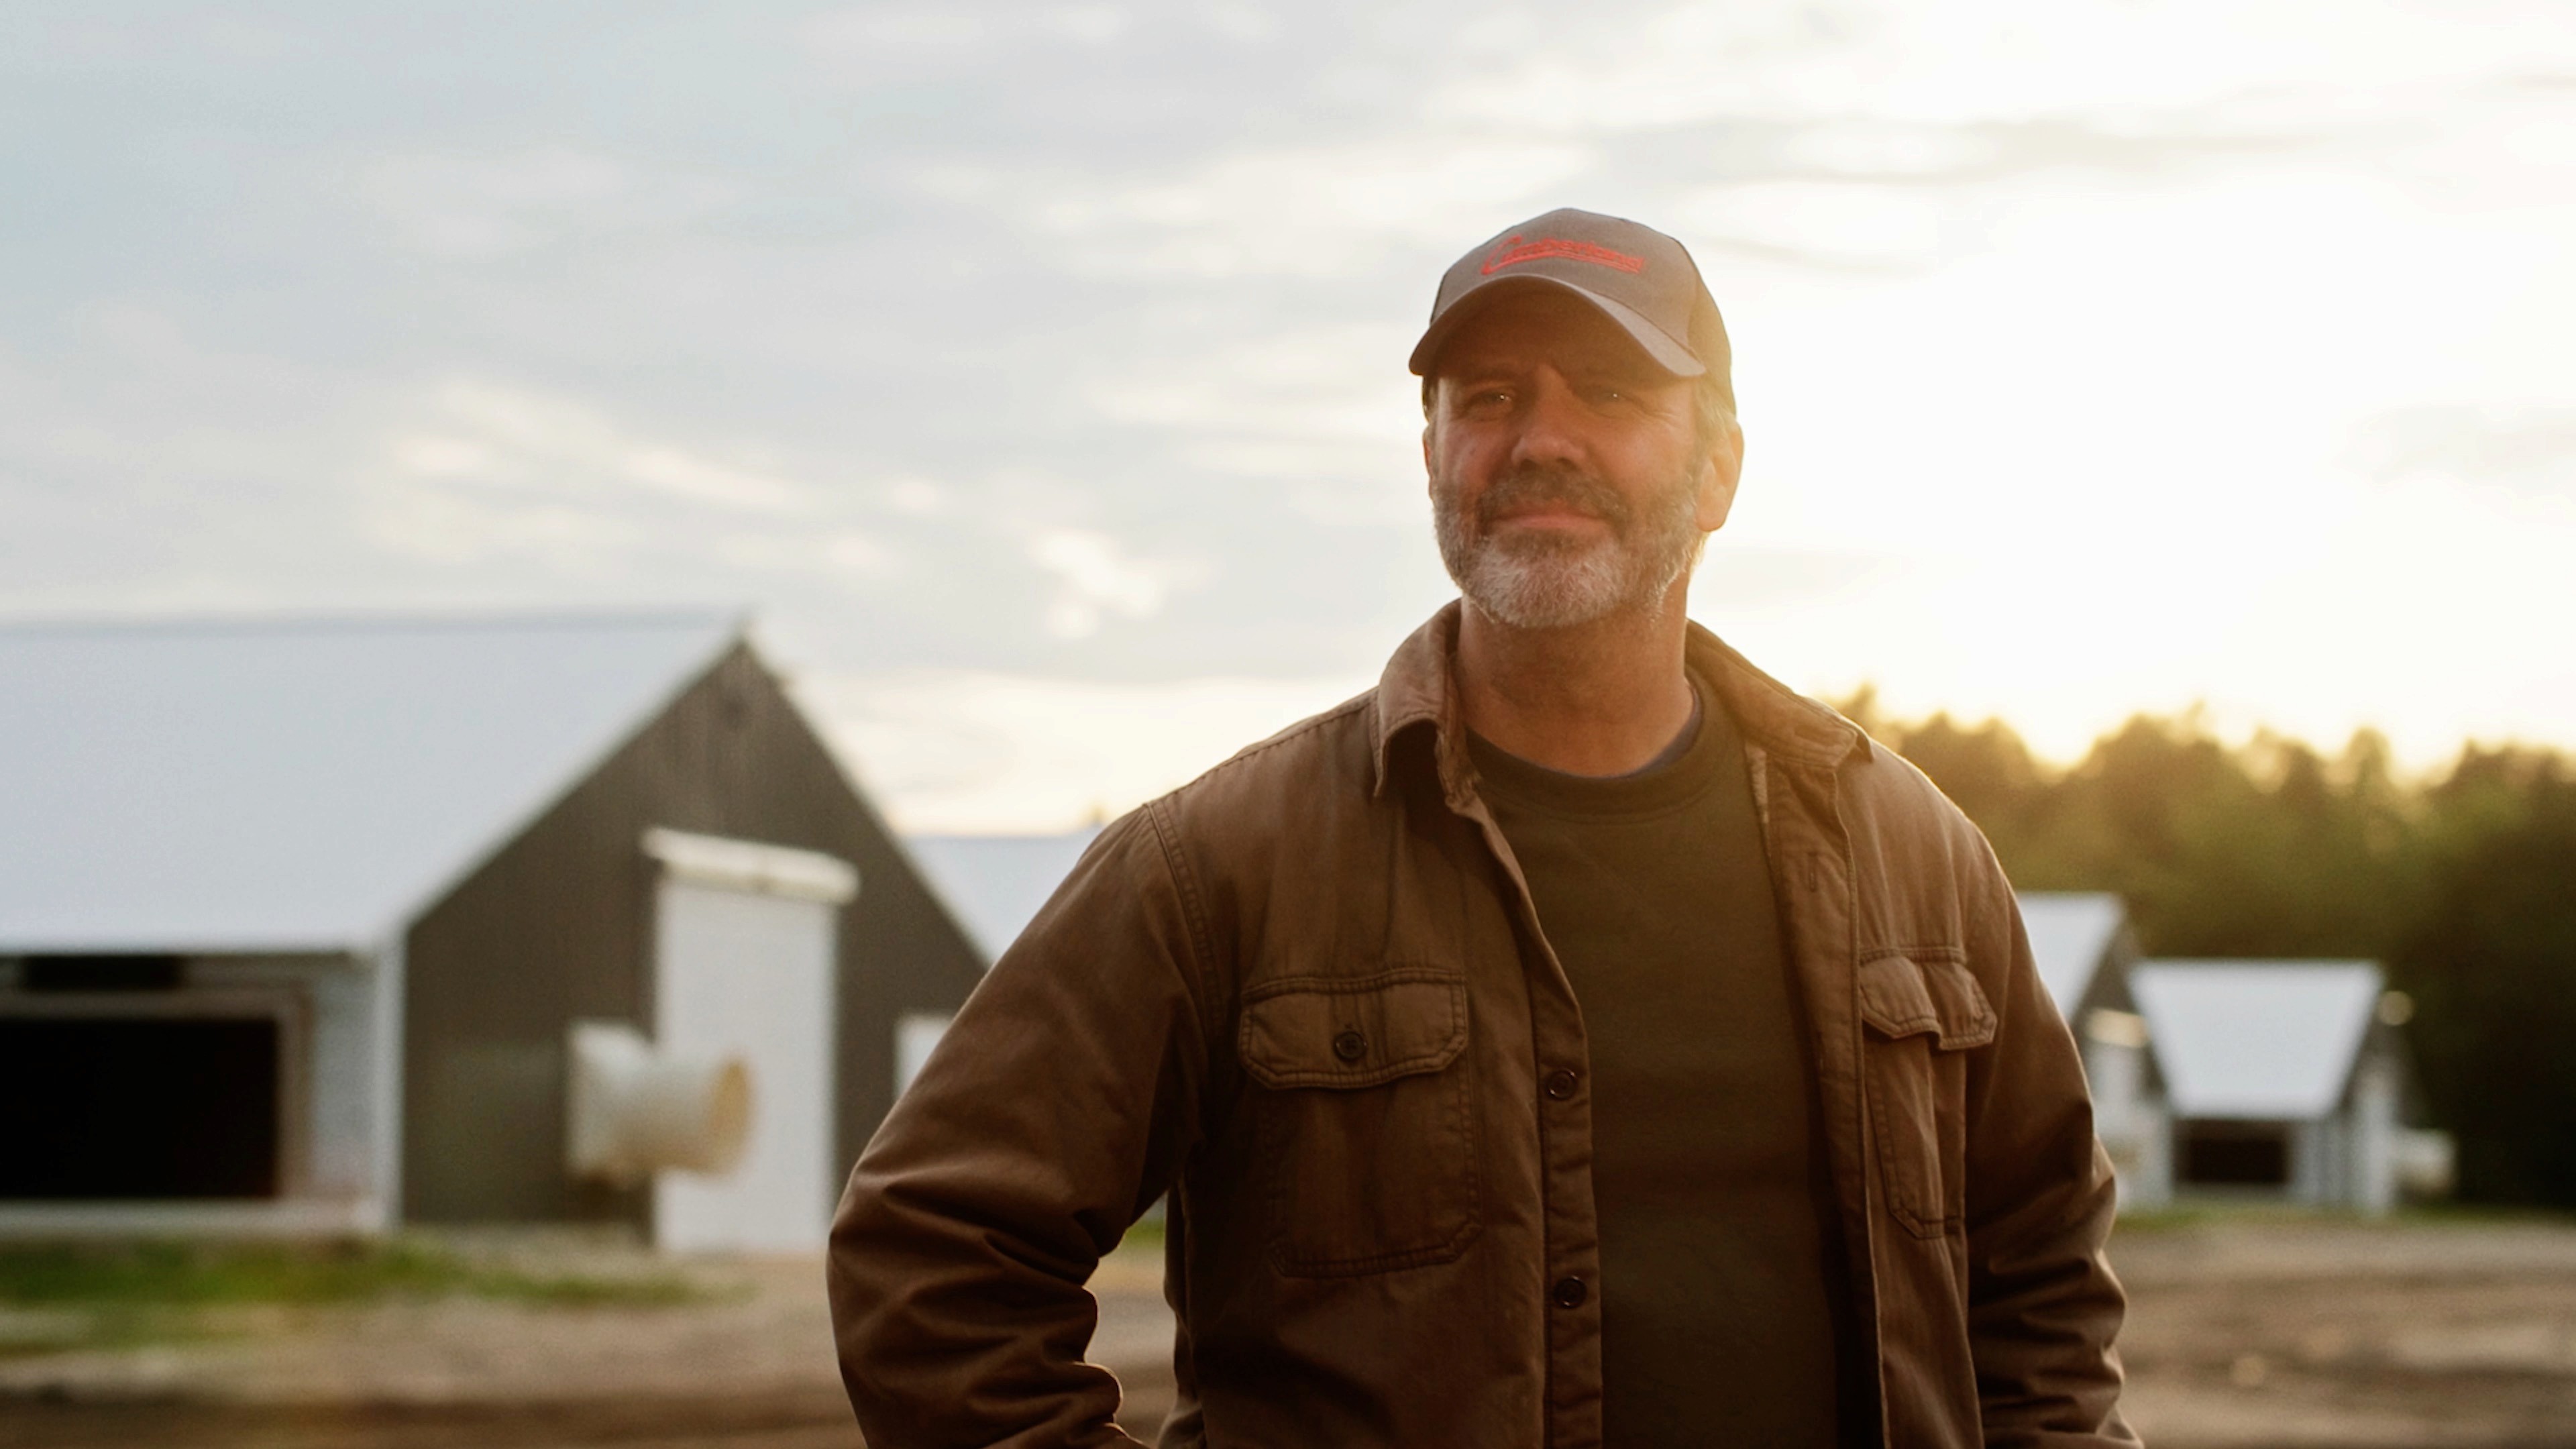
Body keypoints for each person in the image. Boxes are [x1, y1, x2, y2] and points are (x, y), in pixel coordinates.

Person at [828, 207, 2135, 1448]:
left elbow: (2043, 1280)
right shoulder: (1220, 866)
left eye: (1611, 392)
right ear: (1434, 457)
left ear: (1721, 467)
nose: (1540, 440)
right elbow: (934, 1250)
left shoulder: (1912, 856)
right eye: (1489, 399)